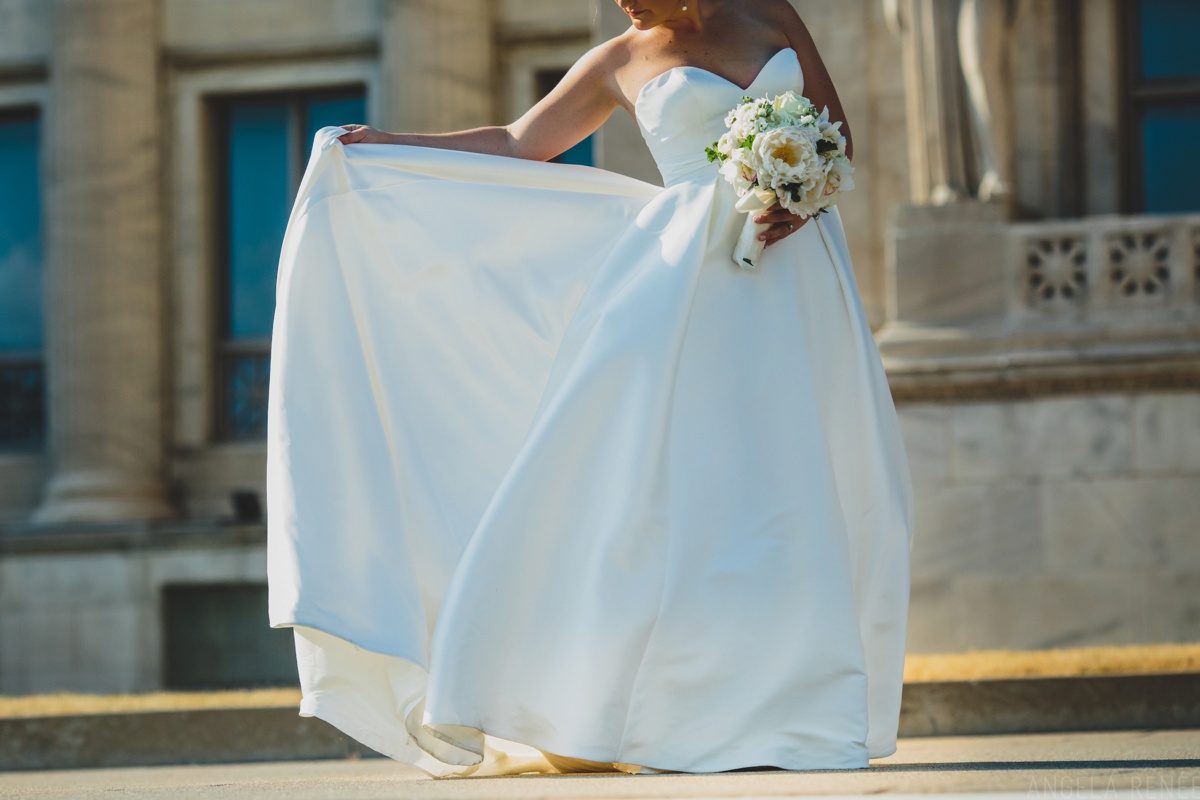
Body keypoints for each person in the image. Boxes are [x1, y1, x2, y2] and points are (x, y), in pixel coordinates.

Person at [266, 0, 915, 778]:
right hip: (680, 284)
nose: (620, 2)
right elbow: (518, 141)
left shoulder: (771, 13)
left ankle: (797, 711)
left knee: (791, 479)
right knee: (649, 485)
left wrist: (801, 189)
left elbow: (834, 130)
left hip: (796, 275)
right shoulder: (617, 58)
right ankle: (618, 704)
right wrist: (388, 146)